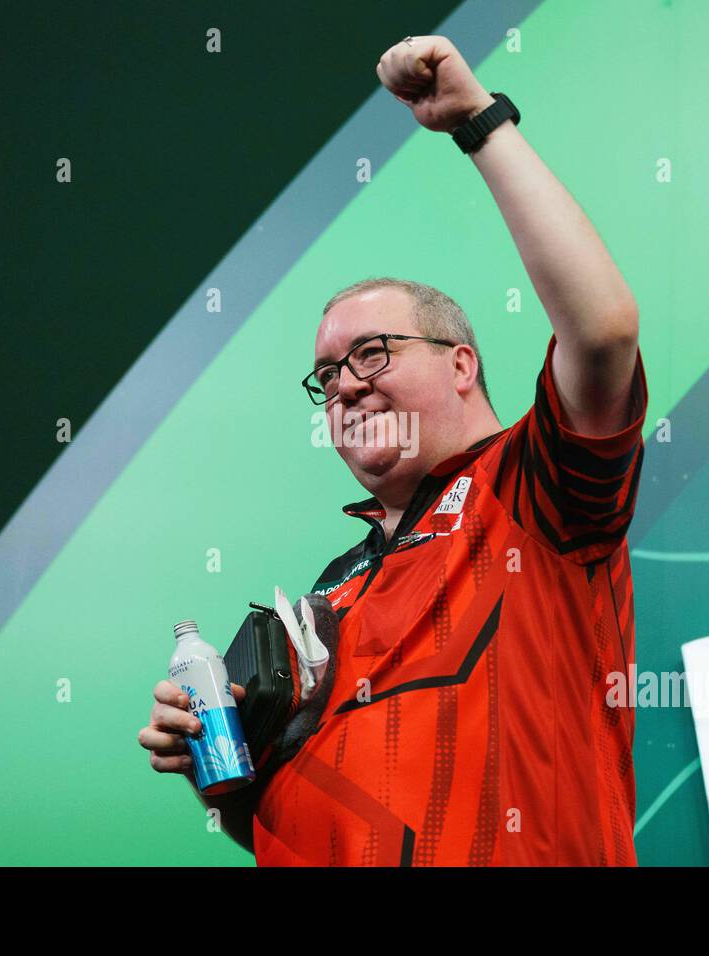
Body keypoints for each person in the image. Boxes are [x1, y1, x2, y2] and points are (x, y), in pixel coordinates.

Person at [139, 34, 648, 865]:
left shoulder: (536, 489)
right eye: (326, 375)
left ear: (460, 364)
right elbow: (292, 826)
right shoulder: (324, 600)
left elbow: (602, 330)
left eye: (372, 353)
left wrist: (480, 123)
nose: (344, 384)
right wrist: (217, 771)